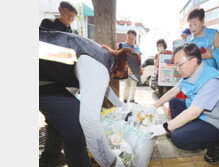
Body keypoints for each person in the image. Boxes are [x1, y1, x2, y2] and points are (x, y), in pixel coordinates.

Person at [39, 28, 143, 167]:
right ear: (125, 64)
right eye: (129, 71)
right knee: (75, 121)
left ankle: (51, 156)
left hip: (44, 77)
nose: (127, 75)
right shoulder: (98, 67)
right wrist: (111, 162)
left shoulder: (103, 55)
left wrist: (123, 106)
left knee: (64, 115)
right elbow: (90, 123)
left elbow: (106, 90)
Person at [144, 43, 219, 165]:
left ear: (193, 61)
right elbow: (174, 90)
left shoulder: (213, 80)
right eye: (175, 65)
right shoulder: (190, 73)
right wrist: (154, 106)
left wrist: (164, 127)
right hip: (201, 115)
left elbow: (193, 113)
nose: (177, 69)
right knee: (174, 102)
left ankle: (216, 143)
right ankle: (184, 129)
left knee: (178, 138)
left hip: (215, 123)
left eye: (179, 65)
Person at [39, 2, 78, 166]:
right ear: (60, 10)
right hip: (45, 79)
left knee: (54, 120)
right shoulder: (47, 25)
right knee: (58, 118)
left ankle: (51, 154)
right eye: (68, 15)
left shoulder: (73, 32)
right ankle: (51, 155)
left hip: (63, 81)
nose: (71, 19)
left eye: (73, 17)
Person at [186, 8, 219, 76]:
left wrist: (211, 54)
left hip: (210, 74)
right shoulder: (189, 38)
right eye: (190, 25)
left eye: (195, 24)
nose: (192, 28)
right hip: (194, 74)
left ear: (203, 21)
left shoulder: (213, 33)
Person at [118, 30, 142, 104]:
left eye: (133, 38)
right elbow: (119, 57)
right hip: (126, 68)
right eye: (129, 37)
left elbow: (139, 58)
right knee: (127, 84)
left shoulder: (137, 47)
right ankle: (125, 99)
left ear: (135, 38)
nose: (131, 40)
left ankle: (131, 99)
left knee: (134, 84)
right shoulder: (121, 45)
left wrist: (140, 69)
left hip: (135, 69)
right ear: (126, 36)